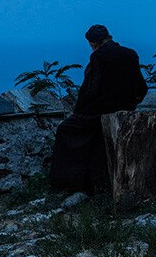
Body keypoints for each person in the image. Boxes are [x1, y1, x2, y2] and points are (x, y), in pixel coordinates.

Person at [49, 25, 149, 194]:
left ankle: (68, 183)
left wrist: (79, 112)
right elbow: (140, 86)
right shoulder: (130, 54)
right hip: (124, 109)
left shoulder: (99, 57)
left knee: (65, 130)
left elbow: (90, 89)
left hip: (98, 112)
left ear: (93, 43)